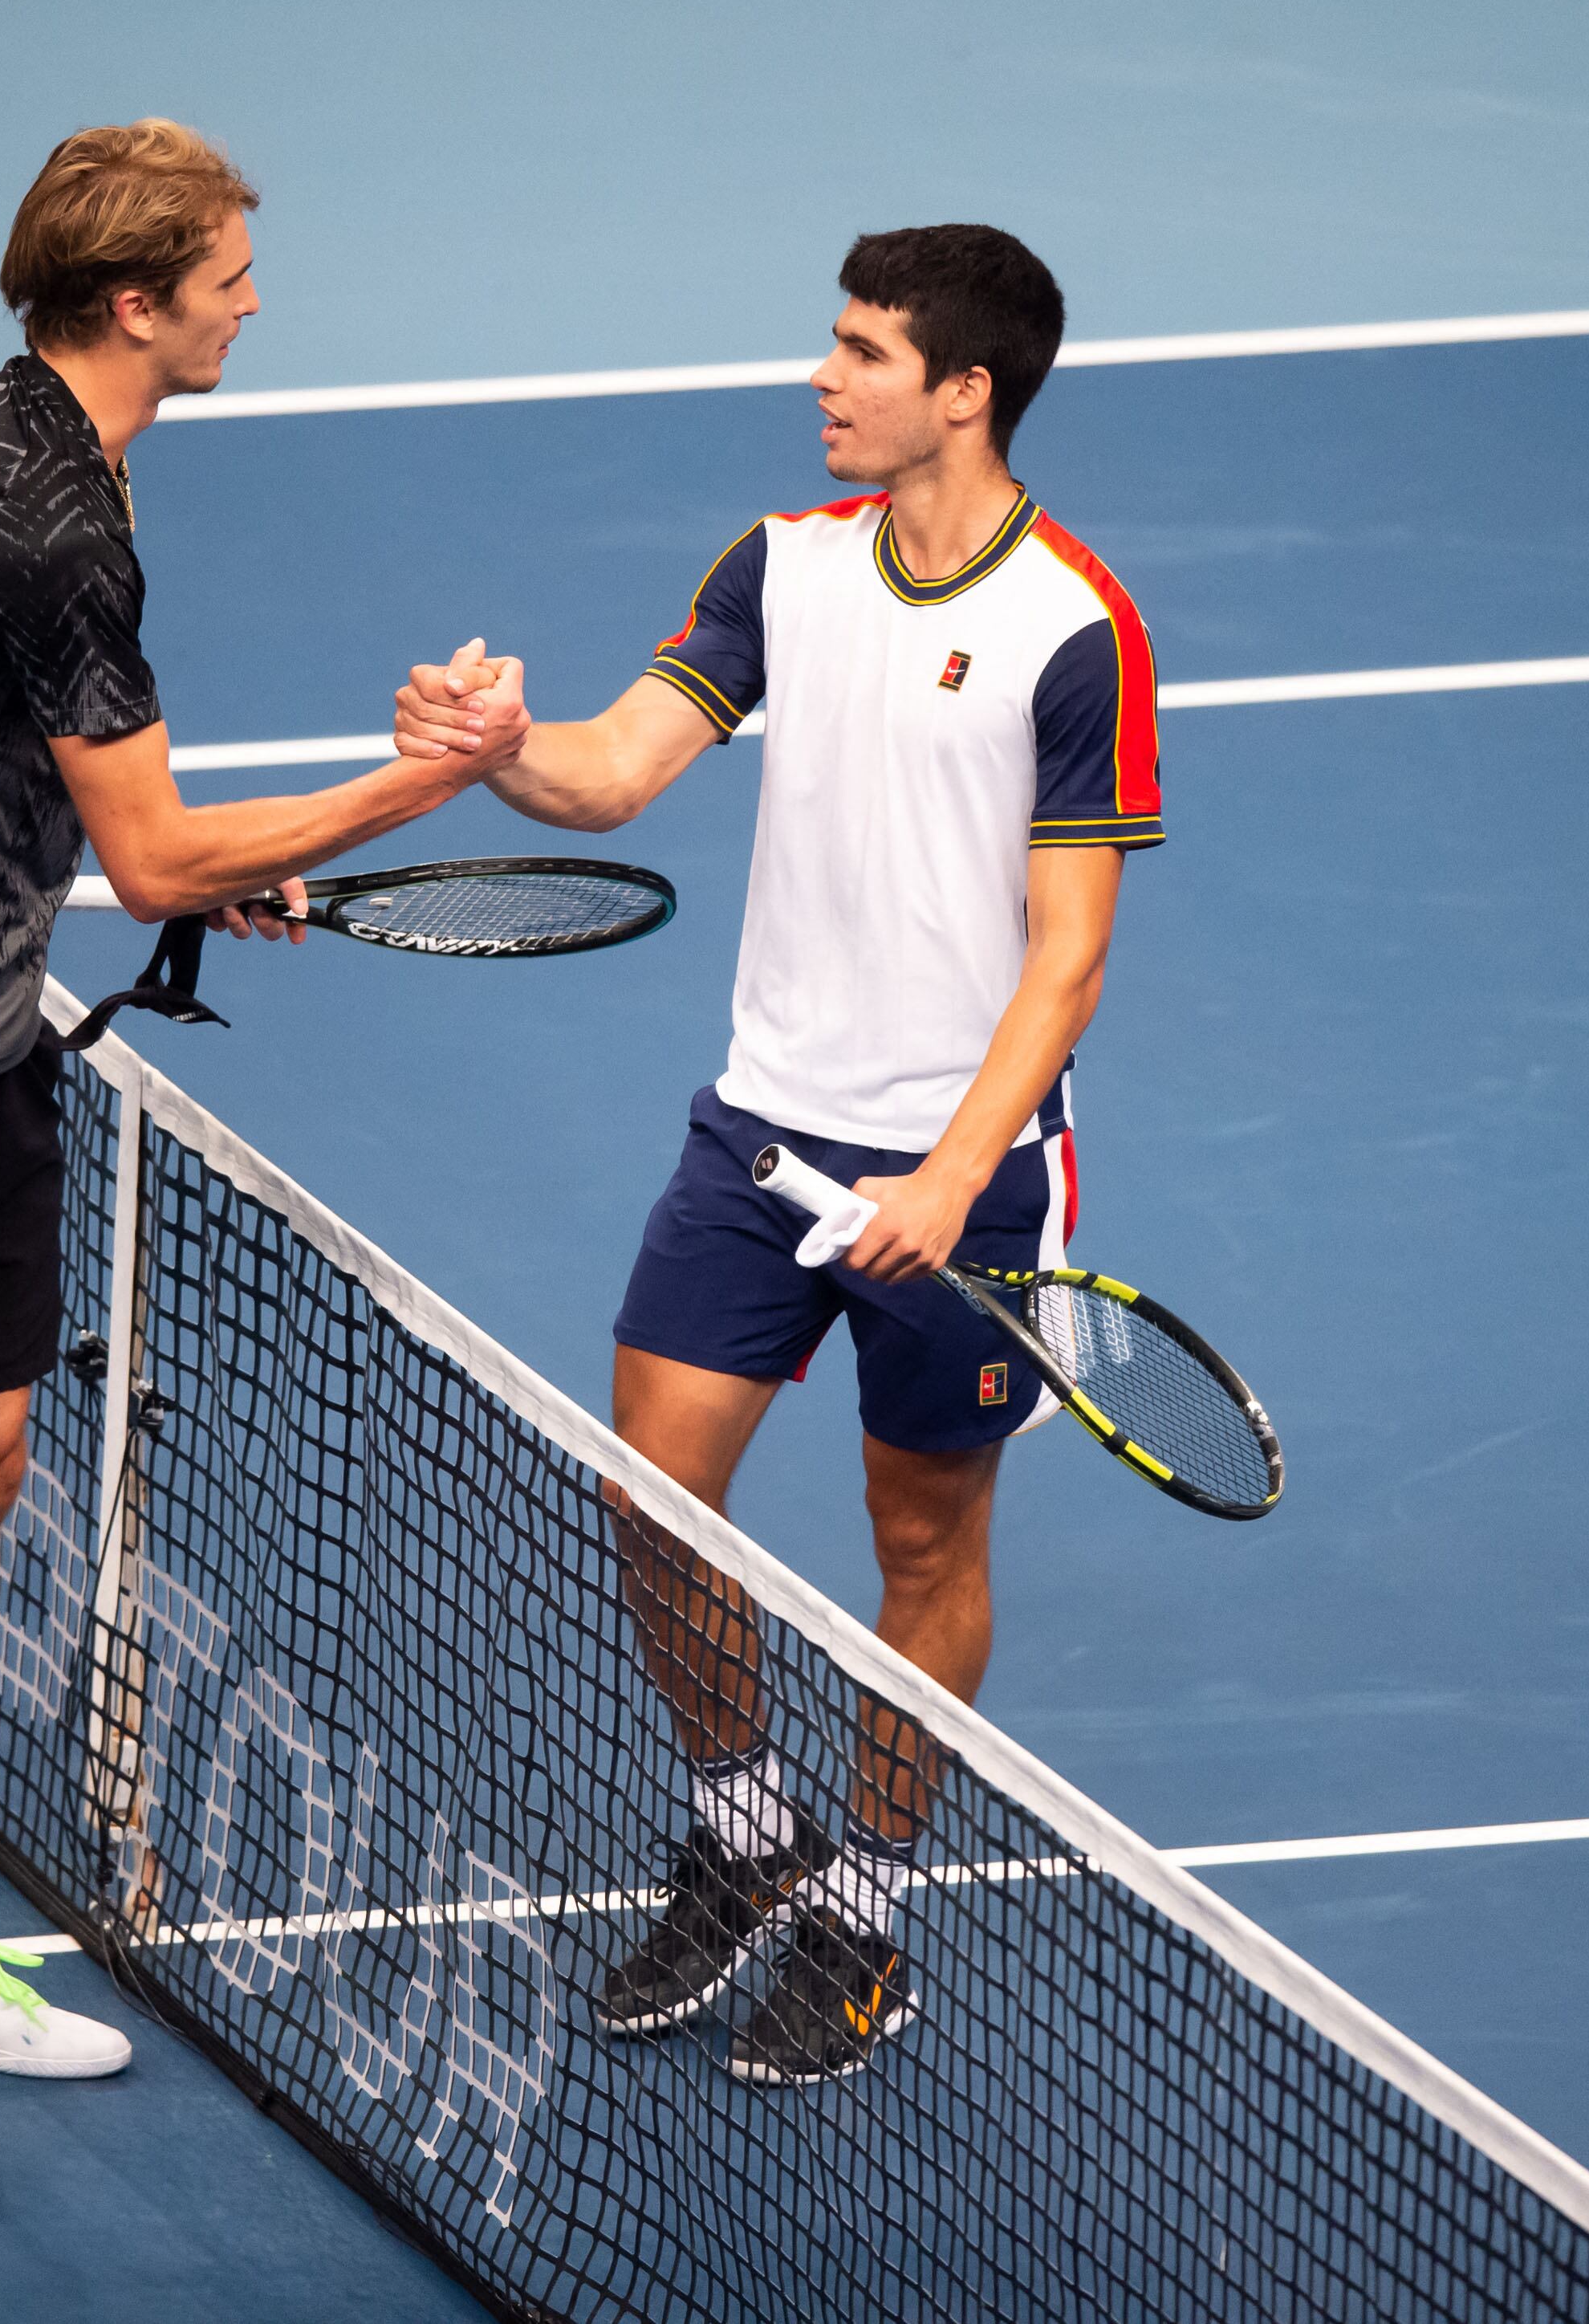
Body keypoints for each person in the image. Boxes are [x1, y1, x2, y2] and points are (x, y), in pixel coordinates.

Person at [0, 119, 510, 2181]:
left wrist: (136, 868)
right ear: (139, 299)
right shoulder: (51, 512)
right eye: (233, 271)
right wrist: (399, 789)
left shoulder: (55, 446)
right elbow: (158, 835)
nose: (258, 296)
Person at [392, 224, 1160, 2088]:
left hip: (961, 1179)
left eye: (860, 350)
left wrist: (951, 1173)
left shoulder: (1076, 625)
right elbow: (614, 771)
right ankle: (749, 1830)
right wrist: (499, 749)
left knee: (924, 1533)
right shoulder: (782, 565)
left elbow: (1067, 956)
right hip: (758, 1131)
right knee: (650, 1492)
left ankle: (869, 1901)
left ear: (961, 389)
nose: (823, 378)